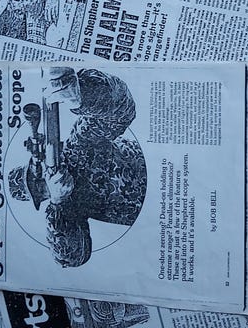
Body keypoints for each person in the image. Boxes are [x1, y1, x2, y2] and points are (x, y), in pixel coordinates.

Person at [8, 67, 147, 267]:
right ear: (43, 199)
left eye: (38, 177)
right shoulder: (67, 210)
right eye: (40, 190)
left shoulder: (79, 145)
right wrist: (58, 202)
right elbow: (73, 256)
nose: (46, 182)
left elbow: (123, 110)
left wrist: (82, 95)